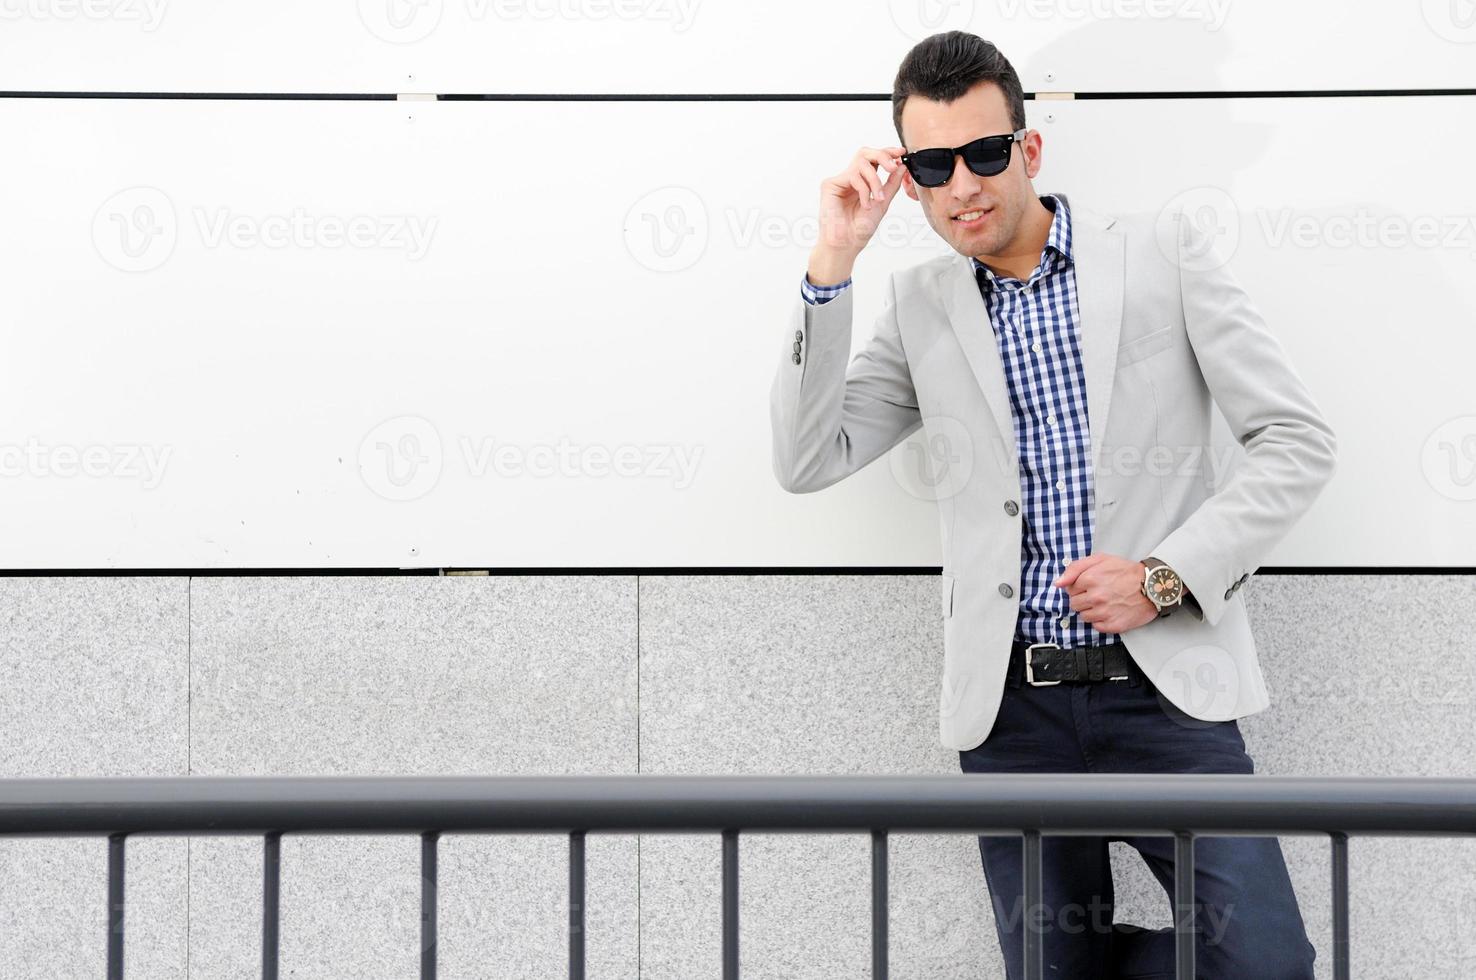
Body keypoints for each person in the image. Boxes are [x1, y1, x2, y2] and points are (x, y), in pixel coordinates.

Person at [768, 30, 1334, 980]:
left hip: (1164, 694)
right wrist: (834, 261)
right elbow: (805, 456)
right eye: (934, 164)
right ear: (908, 176)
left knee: (1266, 962)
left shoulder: (1163, 257)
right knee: (1053, 971)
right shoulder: (919, 306)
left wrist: (1163, 577)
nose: (965, 186)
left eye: (985, 154)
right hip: (1013, 716)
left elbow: (1296, 443)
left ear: (1028, 150)